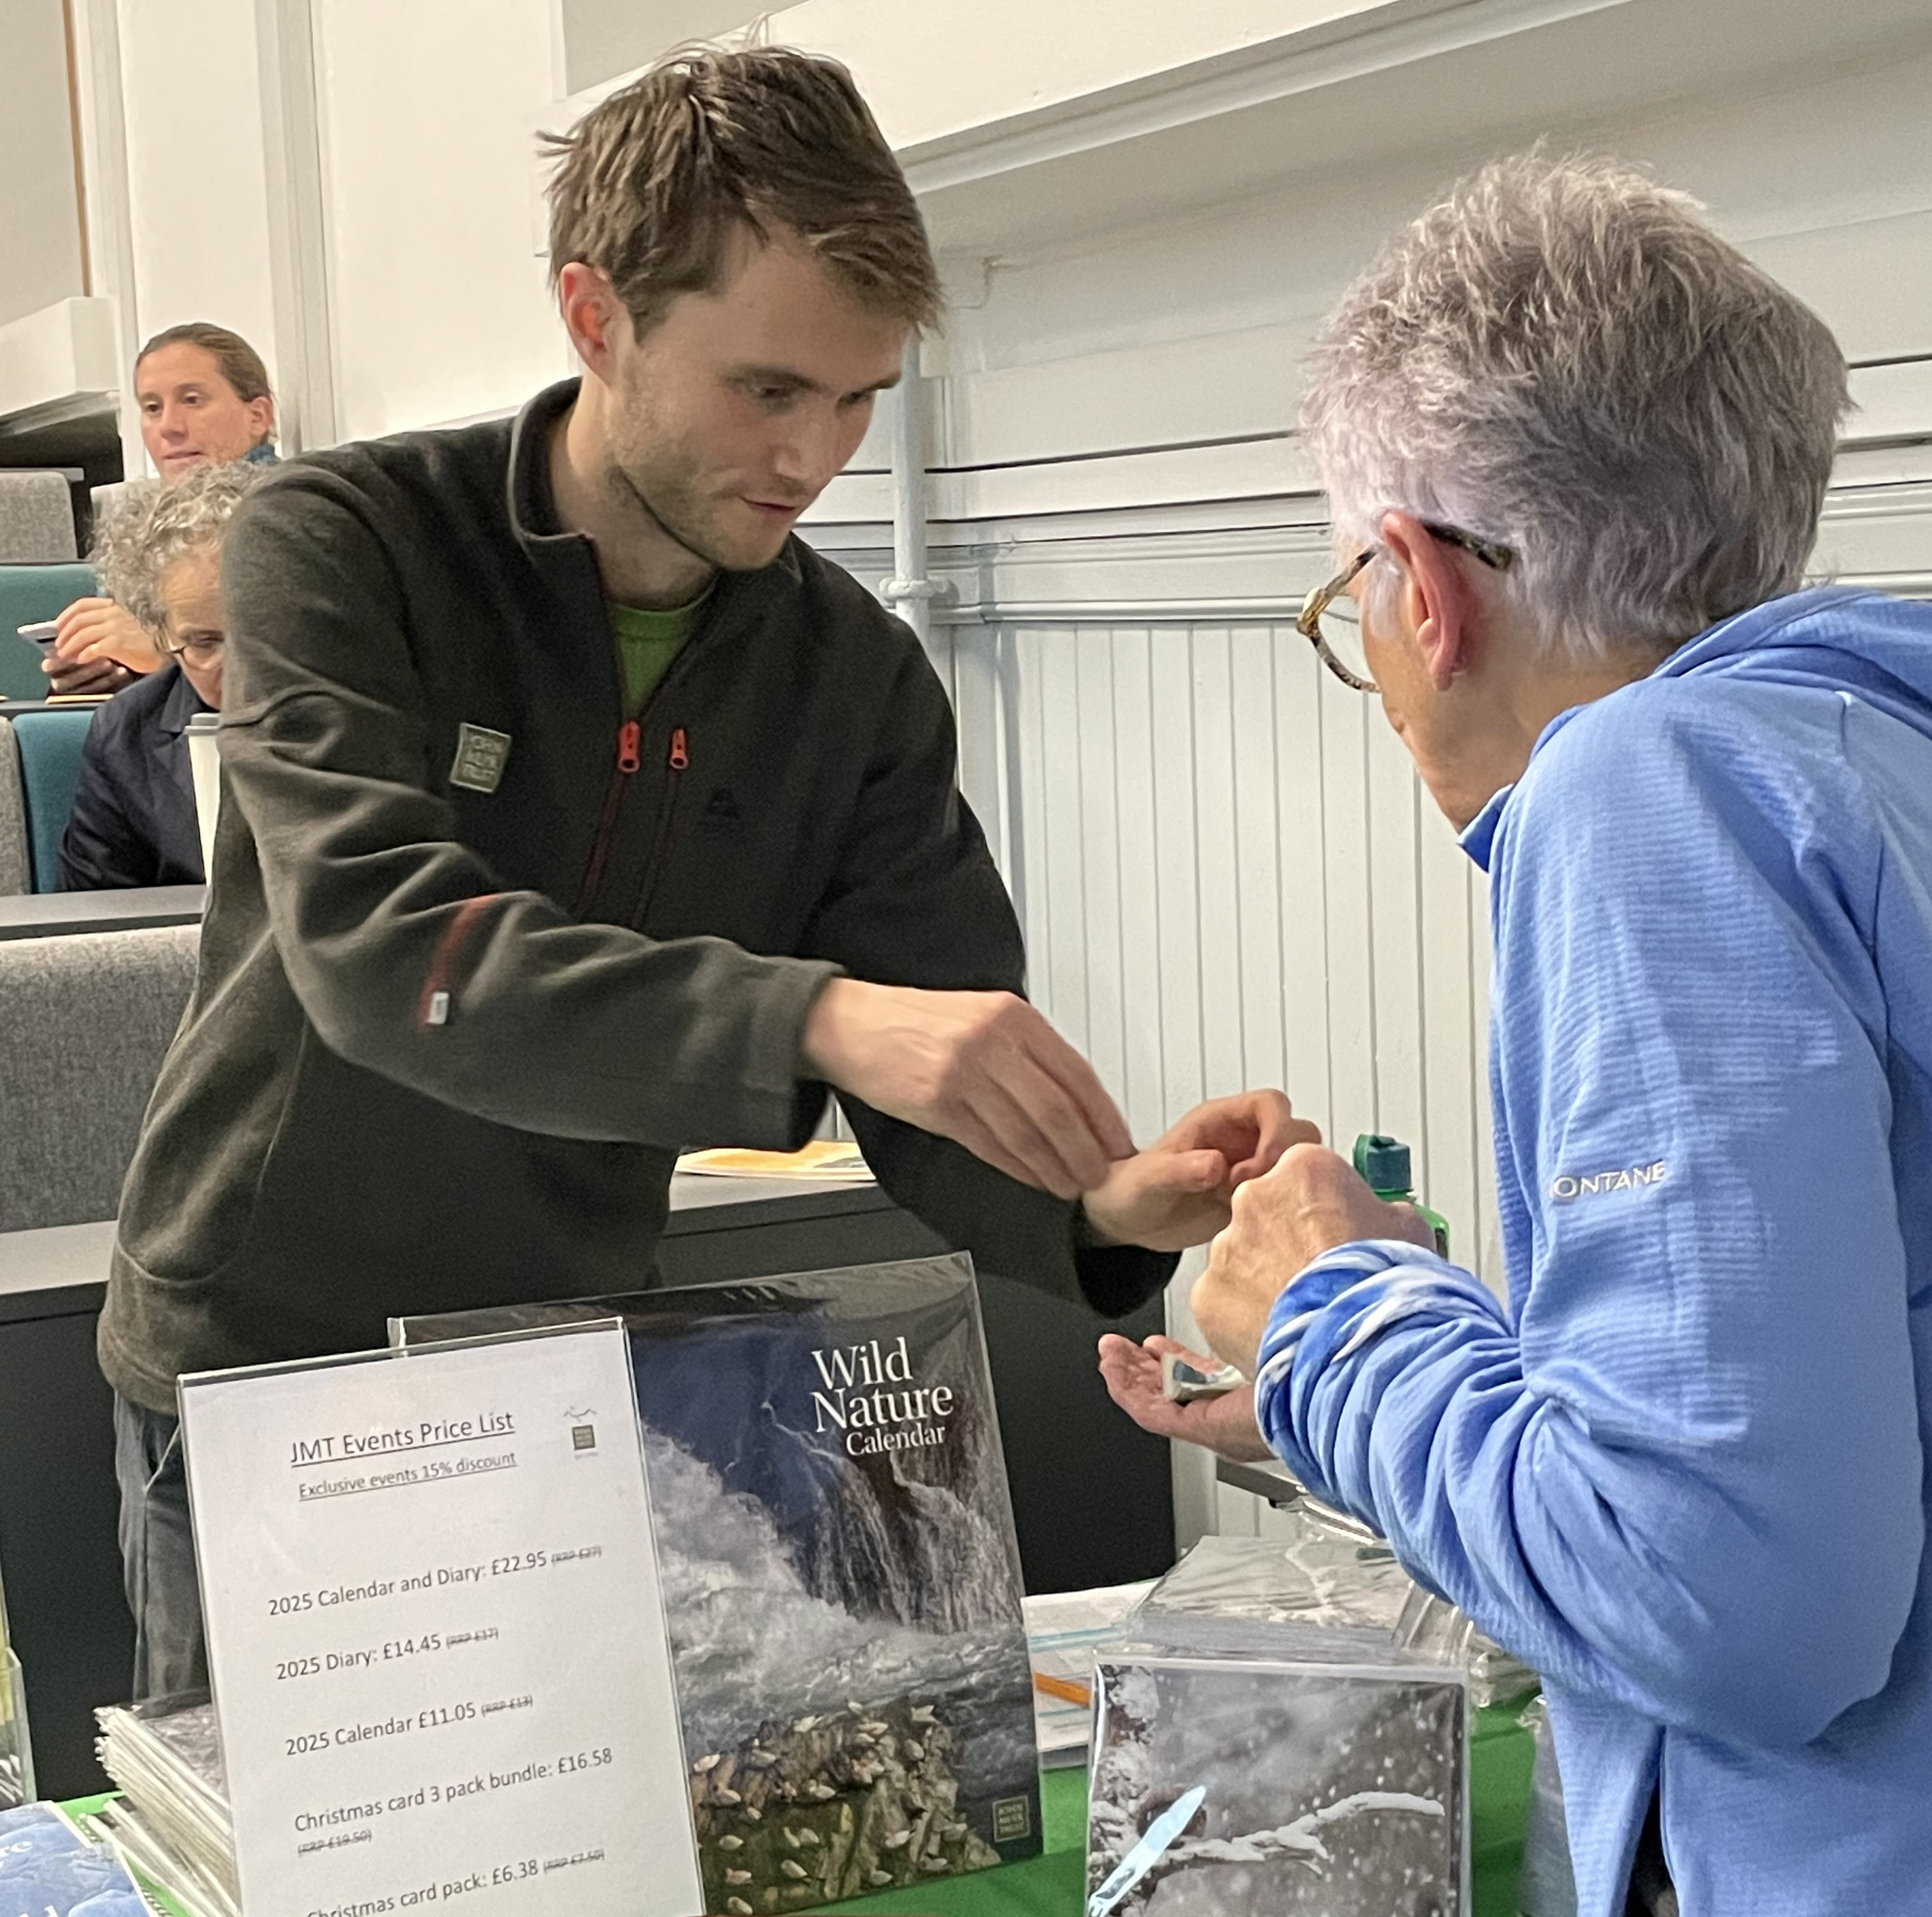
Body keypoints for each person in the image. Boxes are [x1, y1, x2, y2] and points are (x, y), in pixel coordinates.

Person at [100, 47, 1308, 1701]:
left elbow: (935, 1038)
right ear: (596, 316)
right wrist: (815, 1018)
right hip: (266, 1363)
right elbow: (383, 953)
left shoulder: (851, 680)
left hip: (563, 1364)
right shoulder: (345, 544)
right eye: (766, 390)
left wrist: (1093, 1205)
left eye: (860, 396)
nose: (814, 454)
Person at [1108, 153, 1932, 1915]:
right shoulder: (1881, 762)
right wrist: (1419, 1367)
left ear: (1423, 582)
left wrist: (1340, 1320)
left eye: (1356, 614)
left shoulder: (1654, 789)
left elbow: (1727, 1604)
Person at [47, 323, 277, 697]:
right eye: (152, 408)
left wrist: (164, 653)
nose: (169, 427)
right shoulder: (140, 529)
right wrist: (104, 673)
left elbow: (303, 667)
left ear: (258, 416)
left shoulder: (290, 523)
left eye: (192, 400)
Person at [60, 463, 257, 889]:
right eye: (205, 643)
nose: (239, 665)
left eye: (257, 631)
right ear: (162, 634)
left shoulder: (361, 707)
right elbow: (99, 930)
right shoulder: (124, 736)